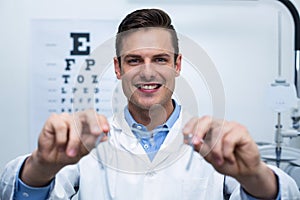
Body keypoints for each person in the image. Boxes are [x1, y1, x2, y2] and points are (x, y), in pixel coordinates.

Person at [1, 8, 299, 200]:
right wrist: (40, 168)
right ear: (118, 68)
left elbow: (275, 194)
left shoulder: (214, 140)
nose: (147, 72)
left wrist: (254, 176)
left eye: (160, 59)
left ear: (177, 65)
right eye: (134, 60)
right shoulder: (87, 142)